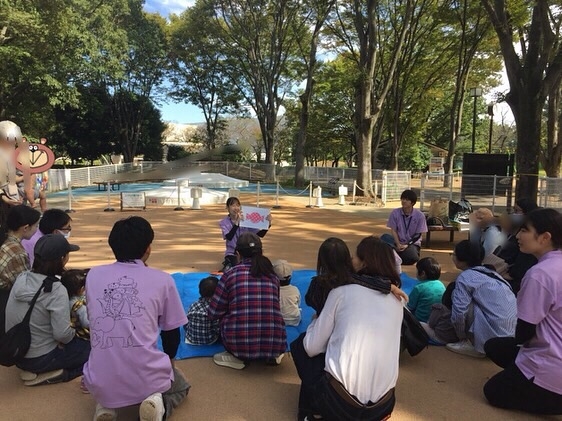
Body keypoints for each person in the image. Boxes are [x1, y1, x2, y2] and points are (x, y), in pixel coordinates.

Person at [83, 216, 190, 421]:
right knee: (181, 385)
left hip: (99, 376)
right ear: (148, 248)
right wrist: (170, 365)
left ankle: (105, 406)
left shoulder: (93, 275)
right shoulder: (163, 280)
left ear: (113, 245)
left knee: (110, 371)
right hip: (146, 376)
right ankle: (157, 403)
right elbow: (171, 334)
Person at [291, 236, 404, 420]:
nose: (352, 259)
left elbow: (311, 348)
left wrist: (315, 323)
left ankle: (309, 413)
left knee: (301, 346)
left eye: (355, 256)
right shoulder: (398, 301)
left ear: (365, 262)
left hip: (341, 404)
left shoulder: (340, 293)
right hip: (382, 407)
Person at [483, 208, 562, 415]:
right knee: (495, 346)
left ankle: (543, 390)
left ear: (545, 237)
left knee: (493, 391)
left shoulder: (540, 274)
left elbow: (525, 331)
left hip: (551, 363)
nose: (518, 236)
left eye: (525, 230)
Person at [5, 234, 88, 386]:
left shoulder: (22, 277)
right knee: (96, 350)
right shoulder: (56, 290)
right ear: (62, 258)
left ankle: (37, 369)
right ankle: (56, 374)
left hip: (17, 353)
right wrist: (74, 334)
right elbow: (62, 335)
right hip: (42, 358)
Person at [209, 232, 286, 370]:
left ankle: (237, 357)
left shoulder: (230, 275)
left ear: (238, 254)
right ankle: (272, 355)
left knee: (225, 315)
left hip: (239, 345)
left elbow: (214, 312)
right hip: (275, 344)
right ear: (261, 252)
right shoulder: (273, 276)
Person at [441, 240, 517, 358]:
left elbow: (459, 312)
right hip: (510, 336)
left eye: (453, 254)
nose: (452, 257)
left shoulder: (465, 278)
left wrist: (461, 337)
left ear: (462, 259)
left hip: (491, 339)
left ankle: (471, 344)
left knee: (458, 296)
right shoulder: (494, 274)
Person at [0, 205, 41, 336]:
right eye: (36, 226)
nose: (37, 229)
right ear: (25, 228)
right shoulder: (17, 252)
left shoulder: (7, 241)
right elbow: (23, 286)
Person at [218, 196, 272, 272]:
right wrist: (237, 223)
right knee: (237, 266)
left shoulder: (246, 220)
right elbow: (229, 237)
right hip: (233, 252)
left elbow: (260, 235)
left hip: (247, 251)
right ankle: (228, 263)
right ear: (227, 207)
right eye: (232, 205)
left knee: (261, 264)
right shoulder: (224, 222)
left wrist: (268, 224)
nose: (235, 208)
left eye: (237, 205)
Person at [381, 189, 427, 265]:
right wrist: (398, 244)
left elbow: (418, 234)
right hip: (397, 242)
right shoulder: (395, 213)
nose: (404, 201)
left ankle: (393, 256)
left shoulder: (420, 216)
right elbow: (394, 230)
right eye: (403, 199)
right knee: (384, 238)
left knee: (413, 256)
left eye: (407, 200)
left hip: (411, 244)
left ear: (412, 203)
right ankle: (396, 255)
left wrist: (407, 245)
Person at [407, 257, 445, 323]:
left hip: (420, 322)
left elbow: (410, 306)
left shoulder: (419, 288)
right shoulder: (441, 285)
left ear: (423, 274)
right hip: (437, 321)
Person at [184, 276, 220, 345]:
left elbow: (186, 321)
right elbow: (217, 327)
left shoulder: (194, 305)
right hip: (210, 340)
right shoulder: (215, 308)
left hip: (191, 338)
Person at [60, 269, 90, 341]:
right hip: (81, 337)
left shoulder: (63, 299)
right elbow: (86, 323)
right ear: (81, 289)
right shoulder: (79, 305)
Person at [273, 259, 301, 326]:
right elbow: (298, 304)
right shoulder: (295, 289)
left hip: (277, 321)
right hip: (294, 320)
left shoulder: (273, 291)